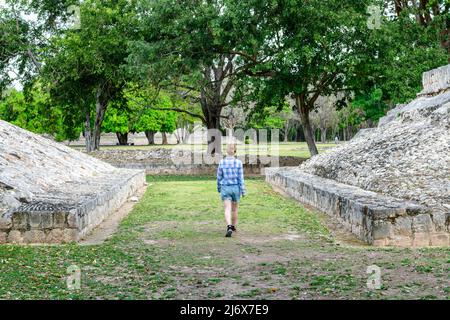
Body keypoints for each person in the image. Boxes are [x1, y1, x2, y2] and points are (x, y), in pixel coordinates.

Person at [217, 143, 246, 237]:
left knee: (227, 209)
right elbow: (240, 178)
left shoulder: (222, 162)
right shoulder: (238, 163)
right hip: (235, 188)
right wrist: (243, 190)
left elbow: (219, 177)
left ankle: (229, 226)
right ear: (235, 151)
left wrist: (218, 187)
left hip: (225, 187)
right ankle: (233, 226)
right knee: (234, 209)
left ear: (226, 151)